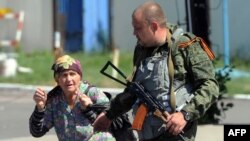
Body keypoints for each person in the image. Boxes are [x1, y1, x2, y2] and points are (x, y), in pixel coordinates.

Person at [93, 1, 220, 141]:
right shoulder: (141, 49)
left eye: (138, 28)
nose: (134, 33)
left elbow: (210, 86)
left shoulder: (185, 45)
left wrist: (185, 114)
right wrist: (109, 114)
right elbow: (134, 91)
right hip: (147, 134)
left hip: (175, 134)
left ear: (153, 26)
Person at [29, 55, 116, 141]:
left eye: (72, 74)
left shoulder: (92, 93)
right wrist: (40, 108)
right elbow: (37, 132)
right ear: (57, 80)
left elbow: (114, 125)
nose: (69, 79)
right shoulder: (54, 101)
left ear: (80, 77)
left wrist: (89, 109)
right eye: (64, 75)